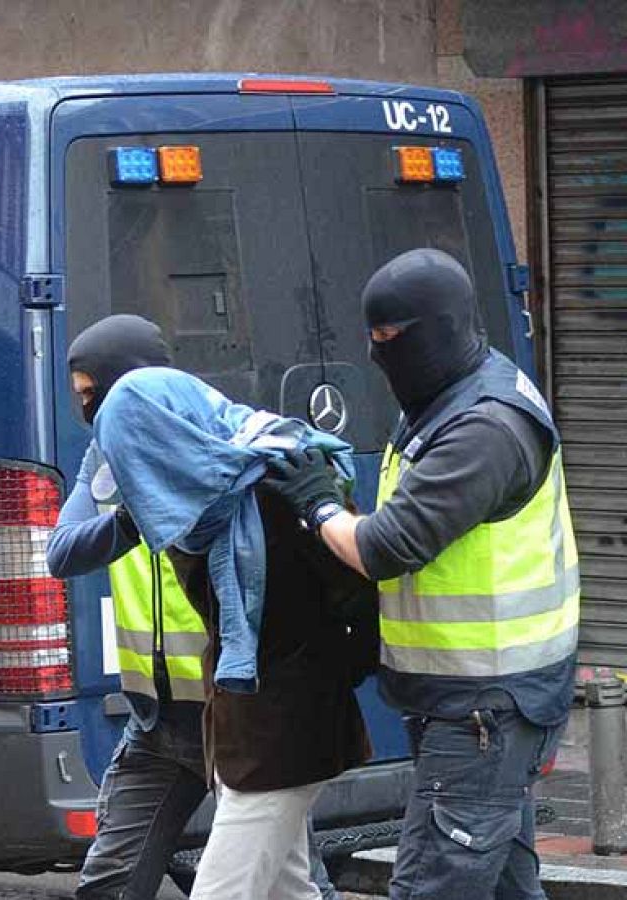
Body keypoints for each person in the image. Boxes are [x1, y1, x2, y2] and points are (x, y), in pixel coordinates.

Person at [264, 248, 578, 899]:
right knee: (504, 886)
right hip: (469, 699)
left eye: (391, 340)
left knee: (432, 885)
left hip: (487, 705)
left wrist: (318, 503)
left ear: (440, 330)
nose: (379, 356)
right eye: (371, 340)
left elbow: (388, 545)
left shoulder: (485, 427)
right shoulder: (443, 396)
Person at [49, 316, 342, 900]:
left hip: (235, 713)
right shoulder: (108, 460)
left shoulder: (227, 457)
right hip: (157, 722)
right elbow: (62, 551)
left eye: (92, 395)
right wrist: (138, 513)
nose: (88, 412)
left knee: (289, 883)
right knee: (110, 883)